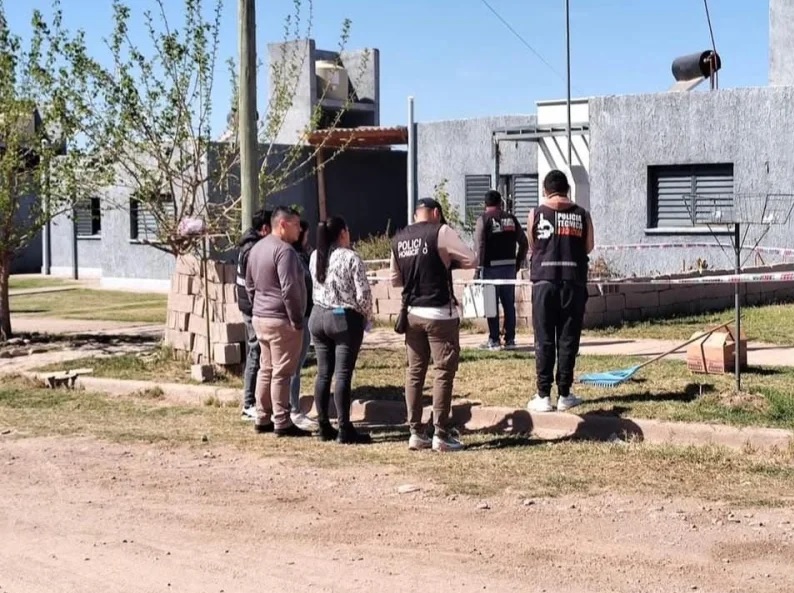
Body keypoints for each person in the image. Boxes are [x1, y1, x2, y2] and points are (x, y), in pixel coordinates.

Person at [390, 197, 477, 452]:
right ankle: (441, 432)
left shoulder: (399, 238)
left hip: (412, 314)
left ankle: (416, 432)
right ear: (436, 213)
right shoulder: (441, 231)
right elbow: (471, 259)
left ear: (416, 214)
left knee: (414, 373)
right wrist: (449, 262)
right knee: (443, 372)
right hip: (440, 313)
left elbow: (396, 279)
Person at [526, 170, 594, 413]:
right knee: (568, 339)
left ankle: (543, 395)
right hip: (573, 283)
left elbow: (532, 244)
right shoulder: (582, 214)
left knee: (543, 339)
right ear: (568, 190)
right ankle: (565, 394)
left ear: (545, 191)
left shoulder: (536, 213)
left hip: (544, 283)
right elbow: (589, 246)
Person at [245, 206, 310, 436]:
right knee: (282, 372)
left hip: (261, 318)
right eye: (296, 224)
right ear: (282, 224)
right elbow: (290, 289)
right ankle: (282, 420)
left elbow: (249, 285)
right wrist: (296, 320)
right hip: (281, 320)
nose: (300, 229)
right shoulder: (285, 252)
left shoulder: (257, 249)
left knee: (266, 368)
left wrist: (258, 307)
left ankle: (263, 417)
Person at [309, 216, 373, 445]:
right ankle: (345, 428)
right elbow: (363, 295)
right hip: (343, 318)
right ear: (343, 233)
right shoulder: (351, 257)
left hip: (318, 316)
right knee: (343, 373)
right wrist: (366, 316)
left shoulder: (316, 255)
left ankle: (323, 424)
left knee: (323, 372)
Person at [473, 189, 529, 350]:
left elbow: (480, 245)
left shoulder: (483, 220)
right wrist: (518, 262)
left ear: (485, 205)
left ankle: (494, 340)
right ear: (500, 203)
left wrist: (478, 268)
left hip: (490, 268)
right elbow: (524, 243)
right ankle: (510, 339)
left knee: (491, 304)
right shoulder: (511, 219)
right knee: (508, 303)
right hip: (509, 268)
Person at [235, 208, 271, 420]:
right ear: (265, 228)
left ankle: (255, 399)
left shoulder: (249, 244)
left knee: (257, 351)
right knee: (255, 351)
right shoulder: (252, 249)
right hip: (250, 307)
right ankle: (248, 402)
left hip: (249, 305)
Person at [288, 220, 319, 432]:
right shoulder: (294, 258)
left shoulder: (302, 255)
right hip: (299, 316)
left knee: (295, 366)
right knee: (293, 367)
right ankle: (292, 408)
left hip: (305, 314)